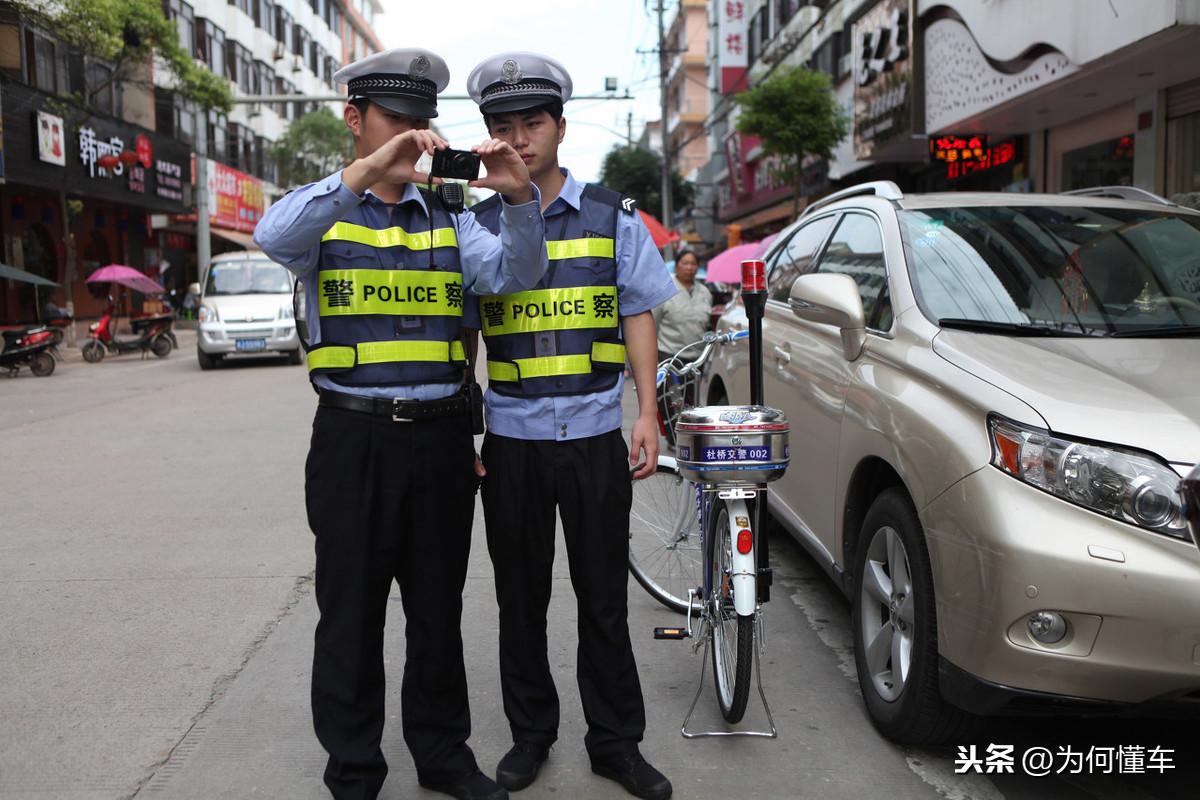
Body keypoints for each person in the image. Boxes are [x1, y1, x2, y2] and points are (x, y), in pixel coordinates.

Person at [253, 47, 549, 800]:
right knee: (349, 611)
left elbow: (516, 276)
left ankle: (443, 756)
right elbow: (272, 237)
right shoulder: (322, 211)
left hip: (440, 439)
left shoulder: (452, 216)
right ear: (355, 122)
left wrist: (517, 203)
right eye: (396, 121)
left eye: (423, 122)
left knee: (437, 609)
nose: (414, 136)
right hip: (354, 439)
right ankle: (354, 768)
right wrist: (366, 169)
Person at [464, 53, 676, 800]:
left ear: (559, 125)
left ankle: (616, 742)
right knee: (520, 599)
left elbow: (638, 309)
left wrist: (646, 411)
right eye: (502, 126)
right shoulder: (475, 222)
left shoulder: (612, 216)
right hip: (514, 442)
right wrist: (469, 430)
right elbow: (463, 334)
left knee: (603, 600)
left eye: (532, 123)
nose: (518, 138)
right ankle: (531, 736)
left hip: (592, 438)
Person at [653, 249, 713, 364]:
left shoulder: (705, 293)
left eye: (693, 264)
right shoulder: (664, 290)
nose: (689, 268)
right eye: (685, 263)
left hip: (698, 358)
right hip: (669, 355)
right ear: (676, 266)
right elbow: (653, 324)